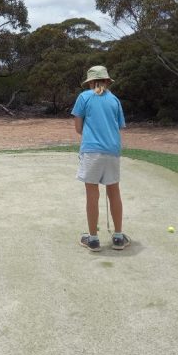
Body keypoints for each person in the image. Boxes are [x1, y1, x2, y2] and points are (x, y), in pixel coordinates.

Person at [71, 65, 129, 252]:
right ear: (106, 81)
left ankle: (93, 240)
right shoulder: (115, 100)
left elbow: (78, 128)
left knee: (92, 194)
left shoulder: (84, 97)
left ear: (90, 82)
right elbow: (119, 125)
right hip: (112, 150)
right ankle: (118, 237)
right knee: (114, 191)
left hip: (91, 150)